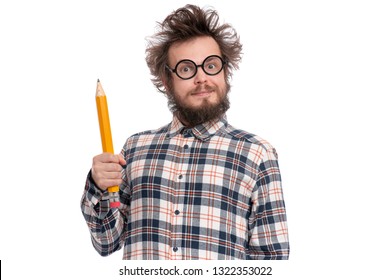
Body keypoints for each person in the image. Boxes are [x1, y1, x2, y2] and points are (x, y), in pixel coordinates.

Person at [81, 4, 289, 260]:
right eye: (187, 69)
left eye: (211, 65)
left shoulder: (257, 154)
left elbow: (272, 262)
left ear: (225, 71)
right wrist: (98, 186)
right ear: (167, 81)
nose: (201, 77)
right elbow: (106, 243)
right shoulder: (135, 149)